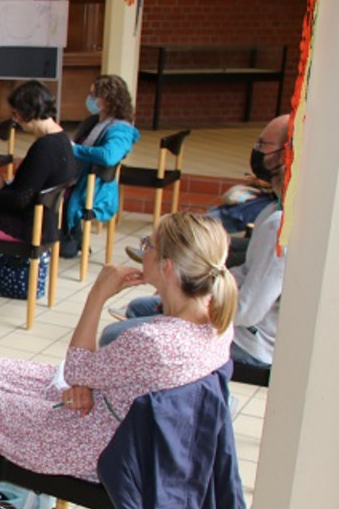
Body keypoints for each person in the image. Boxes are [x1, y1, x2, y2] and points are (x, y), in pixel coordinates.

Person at [0, 213, 236, 509]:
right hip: (119, 428)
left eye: (149, 244)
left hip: (94, 444)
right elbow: (98, 373)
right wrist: (85, 381)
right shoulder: (217, 325)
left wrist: (98, 295)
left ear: (167, 267)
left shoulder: (153, 341)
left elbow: (78, 367)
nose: (142, 249)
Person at [101, 142, 286, 368]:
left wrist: (97, 297)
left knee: (113, 336)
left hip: (249, 340)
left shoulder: (278, 228)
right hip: (227, 313)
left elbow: (247, 311)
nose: (259, 151)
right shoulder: (271, 212)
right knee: (140, 307)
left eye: (265, 144)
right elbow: (242, 276)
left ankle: (145, 365)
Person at [0, 80, 78, 244]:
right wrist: (3, 188)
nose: (14, 119)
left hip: (27, 227)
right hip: (44, 224)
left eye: (16, 113)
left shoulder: (45, 148)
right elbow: (30, 190)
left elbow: (20, 200)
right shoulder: (62, 140)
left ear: (29, 112)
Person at [61, 74, 141, 258]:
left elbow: (108, 156)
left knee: (50, 190)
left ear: (109, 100)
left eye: (94, 95)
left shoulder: (121, 129)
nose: (90, 99)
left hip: (92, 186)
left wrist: (75, 149)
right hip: (79, 177)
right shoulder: (95, 121)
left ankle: (66, 239)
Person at [207, 115, 289, 245]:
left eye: (262, 144)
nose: (256, 150)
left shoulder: (277, 221)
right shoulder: (275, 207)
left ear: (284, 154)